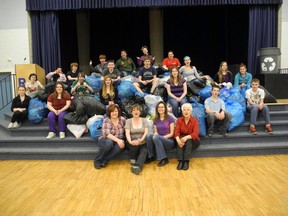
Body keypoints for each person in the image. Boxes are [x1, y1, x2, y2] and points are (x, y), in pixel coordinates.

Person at [94, 104, 126, 169]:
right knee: (109, 143)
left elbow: (126, 129)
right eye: (112, 111)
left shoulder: (122, 119)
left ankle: (105, 160)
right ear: (109, 113)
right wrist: (118, 140)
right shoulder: (106, 120)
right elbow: (107, 134)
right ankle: (97, 160)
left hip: (118, 139)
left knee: (120, 146)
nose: (114, 113)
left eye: (116, 111)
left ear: (118, 112)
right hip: (105, 139)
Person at [146, 101, 175, 167]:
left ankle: (164, 158)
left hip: (169, 141)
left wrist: (161, 138)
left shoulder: (170, 118)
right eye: (159, 107)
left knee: (156, 137)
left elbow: (171, 134)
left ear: (165, 108)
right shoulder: (156, 119)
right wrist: (157, 135)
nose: (160, 108)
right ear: (157, 109)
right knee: (149, 135)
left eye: (162, 107)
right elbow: (156, 132)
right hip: (158, 140)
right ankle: (151, 156)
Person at [174, 103, 200, 170]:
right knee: (179, 139)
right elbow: (176, 132)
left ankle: (186, 161)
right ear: (182, 112)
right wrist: (178, 141)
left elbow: (195, 133)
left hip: (193, 141)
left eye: (188, 110)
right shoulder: (179, 120)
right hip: (182, 140)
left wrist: (187, 137)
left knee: (188, 140)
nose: (186, 111)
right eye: (184, 110)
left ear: (191, 112)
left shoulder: (194, 120)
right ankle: (180, 161)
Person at [125, 104, 149, 175]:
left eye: (137, 110)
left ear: (140, 112)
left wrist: (141, 140)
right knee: (134, 143)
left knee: (144, 151)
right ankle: (133, 159)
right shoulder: (128, 121)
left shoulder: (144, 120)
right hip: (131, 142)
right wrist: (130, 141)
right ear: (131, 112)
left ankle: (137, 166)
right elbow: (127, 133)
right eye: (134, 110)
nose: (136, 111)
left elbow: (146, 132)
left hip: (142, 141)